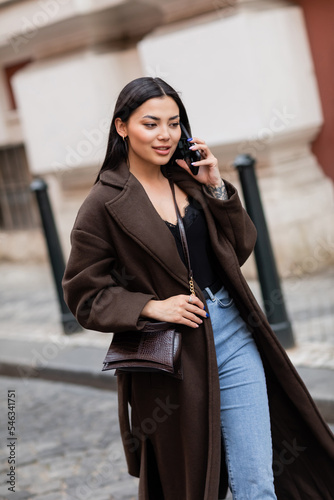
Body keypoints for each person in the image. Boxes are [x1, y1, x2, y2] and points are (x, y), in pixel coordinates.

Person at [62, 77, 334, 500]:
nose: (165, 135)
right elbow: (84, 295)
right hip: (173, 355)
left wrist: (216, 185)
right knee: (193, 485)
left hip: (233, 332)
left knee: (257, 481)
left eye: (174, 123)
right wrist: (152, 306)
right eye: (150, 124)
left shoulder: (190, 180)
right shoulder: (102, 205)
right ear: (122, 128)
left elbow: (240, 246)